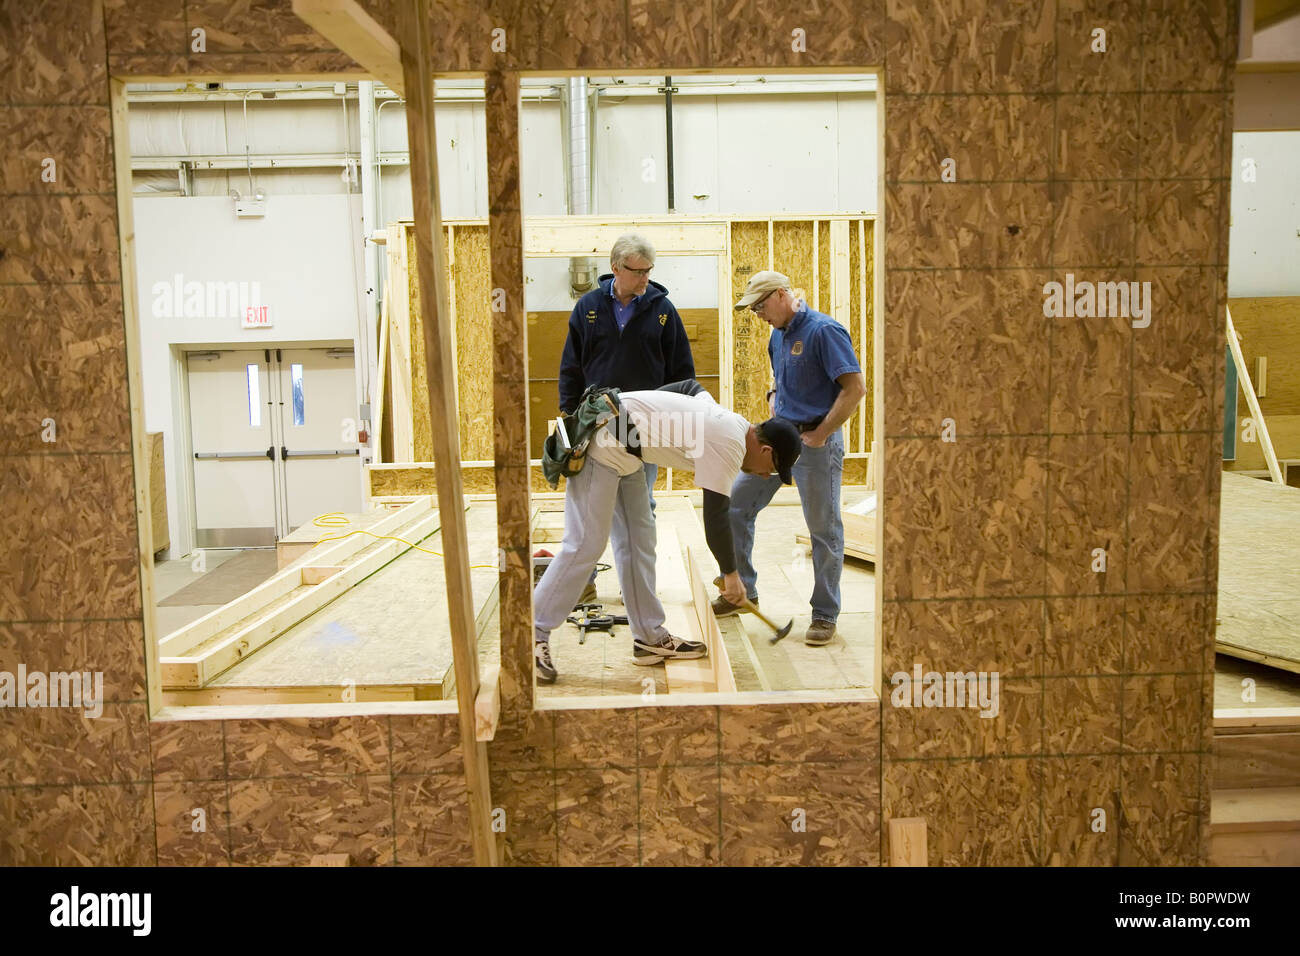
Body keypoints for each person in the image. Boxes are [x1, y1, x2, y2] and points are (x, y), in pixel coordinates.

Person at [533, 381, 802, 684]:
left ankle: (649, 638)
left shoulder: (729, 421)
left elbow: (689, 386)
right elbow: (715, 516)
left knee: (640, 543)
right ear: (766, 450)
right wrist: (731, 575)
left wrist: (646, 412)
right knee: (584, 545)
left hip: (626, 450)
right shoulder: (731, 444)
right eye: (772, 469)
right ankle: (533, 632)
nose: (766, 475)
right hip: (603, 443)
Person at [715, 270, 867, 646]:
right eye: (753, 311)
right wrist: (773, 399)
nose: (759, 315)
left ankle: (824, 613)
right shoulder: (777, 334)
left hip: (817, 442)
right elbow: (780, 378)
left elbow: (855, 388)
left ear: (782, 295)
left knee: (823, 529)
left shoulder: (823, 331)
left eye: (761, 306)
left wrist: (822, 433)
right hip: (780, 437)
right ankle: (744, 593)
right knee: (735, 506)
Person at [558, 232, 696, 510]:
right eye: (638, 272)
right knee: (596, 500)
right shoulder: (588, 308)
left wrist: (677, 416)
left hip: (644, 420)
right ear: (616, 268)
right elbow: (571, 364)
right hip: (596, 419)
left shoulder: (663, 310)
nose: (645, 278)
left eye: (648, 271)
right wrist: (569, 411)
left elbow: (681, 369)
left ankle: (640, 552)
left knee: (642, 500)